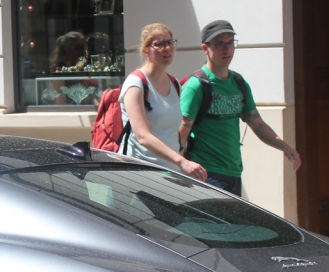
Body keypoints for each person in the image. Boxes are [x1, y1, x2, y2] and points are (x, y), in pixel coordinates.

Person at [179, 20, 301, 196]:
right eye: (219, 44)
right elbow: (182, 130)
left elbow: (257, 124)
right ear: (205, 48)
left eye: (230, 42)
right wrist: (181, 166)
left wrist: (284, 147)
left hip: (234, 173)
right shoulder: (196, 86)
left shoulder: (239, 83)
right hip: (206, 174)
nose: (226, 49)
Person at [119, 24, 207, 180]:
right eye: (159, 44)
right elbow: (143, 136)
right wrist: (182, 162)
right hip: (138, 175)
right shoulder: (136, 83)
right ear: (146, 50)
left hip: (169, 176)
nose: (167, 48)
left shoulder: (174, 83)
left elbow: (174, 134)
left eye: (170, 42)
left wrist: (181, 166)